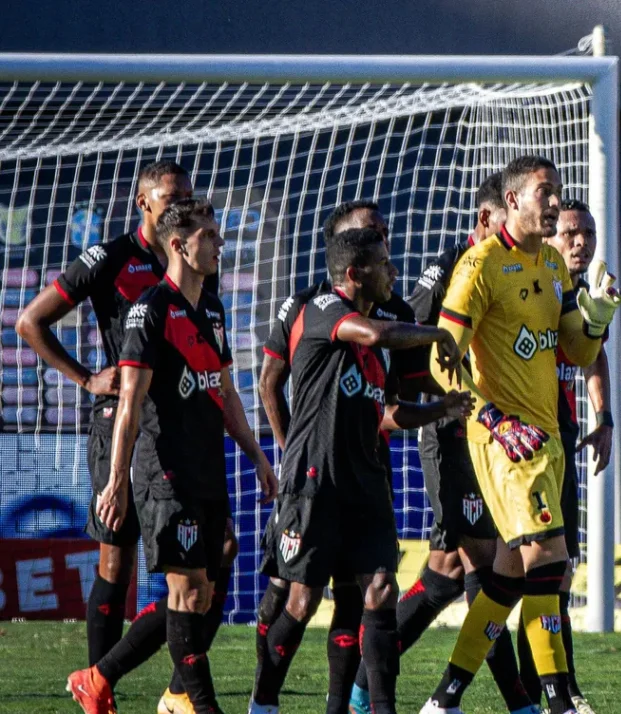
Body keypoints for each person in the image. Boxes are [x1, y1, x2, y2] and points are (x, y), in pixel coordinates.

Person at [17, 161, 237, 714]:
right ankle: (100, 689)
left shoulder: (196, 278)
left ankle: (167, 688)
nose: (179, 204)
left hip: (180, 431)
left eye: (187, 195)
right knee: (117, 561)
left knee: (206, 569)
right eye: (169, 197)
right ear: (143, 203)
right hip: (124, 423)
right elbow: (30, 322)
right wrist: (87, 377)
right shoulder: (110, 258)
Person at [418, 155, 621, 714]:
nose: (554, 201)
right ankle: (558, 701)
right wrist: (492, 420)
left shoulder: (554, 265)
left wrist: (597, 316)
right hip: (504, 443)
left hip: (548, 439)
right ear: (512, 202)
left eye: (556, 191)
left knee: (508, 579)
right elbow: (442, 359)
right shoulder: (480, 265)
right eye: (543, 192)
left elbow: (575, 352)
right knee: (548, 562)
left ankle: (444, 699)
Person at [66, 197, 277, 714]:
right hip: (164, 471)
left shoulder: (212, 307)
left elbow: (225, 391)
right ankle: (192, 705)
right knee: (186, 594)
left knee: (201, 593)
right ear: (180, 245)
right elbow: (130, 404)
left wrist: (256, 455)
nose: (220, 244)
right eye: (210, 236)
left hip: (208, 466)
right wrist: (116, 480)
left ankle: (98, 677)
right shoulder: (150, 311)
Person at [253, 226, 470, 714]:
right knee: (302, 601)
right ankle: (262, 702)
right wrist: (437, 331)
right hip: (316, 479)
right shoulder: (325, 308)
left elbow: (391, 411)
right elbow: (374, 334)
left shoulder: (382, 330)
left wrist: (445, 407)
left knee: (379, 591)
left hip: (367, 481)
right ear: (354, 274)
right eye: (384, 264)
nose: (394, 272)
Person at [348, 173, 538, 714]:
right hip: (454, 435)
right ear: (487, 219)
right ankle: (507, 702)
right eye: (514, 216)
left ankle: (367, 686)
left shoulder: (520, 268)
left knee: (445, 574)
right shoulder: (450, 269)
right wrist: (406, 401)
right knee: (486, 567)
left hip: (493, 437)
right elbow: (401, 327)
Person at [515, 199, 612, 714]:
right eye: (572, 232)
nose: (581, 242)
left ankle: (554, 688)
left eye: (589, 234)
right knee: (522, 570)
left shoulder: (584, 291)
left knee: (559, 568)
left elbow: (592, 358)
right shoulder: (529, 283)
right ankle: (539, 691)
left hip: (561, 432)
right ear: (552, 238)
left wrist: (605, 420)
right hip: (514, 438)